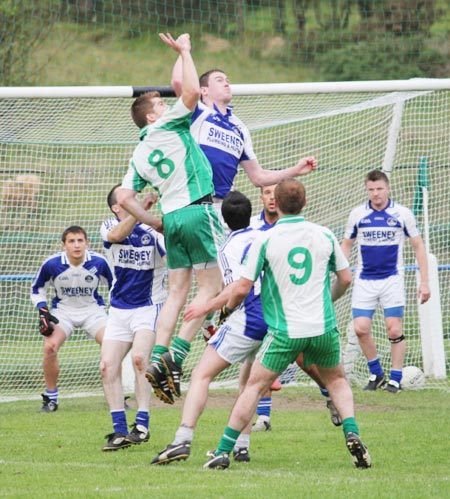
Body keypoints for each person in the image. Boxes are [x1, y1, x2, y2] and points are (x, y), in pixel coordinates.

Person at [189, 178, 371, 470]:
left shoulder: (265, 239)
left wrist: (213, 309)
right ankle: (351, 431)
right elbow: (346, 278)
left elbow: (241, 288)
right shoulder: (324, 234)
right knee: (336, 380)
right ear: (305, 202)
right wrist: (329, 299)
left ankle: (223, 450)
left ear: (277, 204)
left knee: (253, 385)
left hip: (286, 331)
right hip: (323, 327)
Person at [116, 33, 224, 405]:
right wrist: (185, 52)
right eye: (160, 103)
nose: (166, 105)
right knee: (215, 288)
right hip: (199, 208)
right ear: (150, 116)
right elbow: (192, 92)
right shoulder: (169, 125)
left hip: (173, 218)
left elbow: (123, 197)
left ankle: (161, 355)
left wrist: (152, 220)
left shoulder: (138, 154)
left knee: (177, 292)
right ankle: (177, 355)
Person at [151, 191, 268, 465]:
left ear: (224, 221)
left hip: (249, 318)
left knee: (201, 375)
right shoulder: (264, 236)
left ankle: (182, 439)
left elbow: (235, 289)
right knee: (250, 383)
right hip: (275, 319)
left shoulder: (227, 248)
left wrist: (208, 308)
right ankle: (242, 445)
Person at [170, 58, 318, 221]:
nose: (226, 84)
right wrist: (183, 51)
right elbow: (178, 82)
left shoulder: (239, 127)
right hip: (190, 201)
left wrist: (295, 170)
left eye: (227, 81)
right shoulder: (198, 112)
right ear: (203, 91)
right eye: (219, 80)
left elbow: (258, 177)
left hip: (220, 209)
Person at [249, 184, 342, 431]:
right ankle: (263, 417)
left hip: (291, 307)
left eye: (273, 193)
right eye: (266, 193)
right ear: (261, 197)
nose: (270, 197)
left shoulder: (302, 231)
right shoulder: (254, 230)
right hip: (259, 304)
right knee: (256, 363)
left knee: (302, 359)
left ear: (279, 200)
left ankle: (327, 390)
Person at [341, 169, 430, 393]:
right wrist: (340, 271)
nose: (376, 193)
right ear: (366, 190)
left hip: (392, 279)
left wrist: (425, 281)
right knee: (360, 328)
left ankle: (396, 378)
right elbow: (346, 244)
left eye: (379, 188)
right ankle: (377, 373)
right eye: (371, 189)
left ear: (388, 188)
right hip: (365, 279)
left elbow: (418, 245)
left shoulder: (402, 214)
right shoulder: (357, 214)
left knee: (393, 329)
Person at [99, 185, 167, 451]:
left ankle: (141, 424)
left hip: (148, 307)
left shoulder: (152, 233)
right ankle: (119, 430)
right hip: (118, 310)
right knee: (107, 366)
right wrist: (141, 212)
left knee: (140, 359)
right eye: (127, 200)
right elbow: (116, 235)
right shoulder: (108, 225)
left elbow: (173, 259)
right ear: (117, 207)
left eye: (135, 199)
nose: (133, 201)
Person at [30, 225, 113, 412]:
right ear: (63, 245)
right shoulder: (52, 264)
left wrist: (117, 311)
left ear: (87, 243)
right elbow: (37, 289)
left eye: (80, 241)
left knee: (112, 346)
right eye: (71, 241)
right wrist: (42, 310)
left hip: (93, 311)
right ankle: (51, 399)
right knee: (49, 348)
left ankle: (114, 395)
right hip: (63, 312)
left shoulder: (99, 262)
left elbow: (115, 286)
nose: (76, 245)